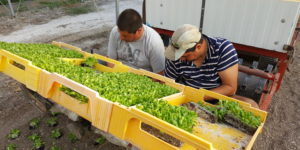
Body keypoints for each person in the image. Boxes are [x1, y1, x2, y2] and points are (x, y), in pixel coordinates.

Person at [164, 24, 259, 108]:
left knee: (252, 105)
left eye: (184, 56)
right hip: (186, 96)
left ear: (198, 47)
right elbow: (169, 83)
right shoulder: (175, 55)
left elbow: (230, 88)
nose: (180, 59)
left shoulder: (222, 49)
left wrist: (197, 97)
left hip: (217, 98)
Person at [107, 9, 165, 74]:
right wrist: (112, 76)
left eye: (125, 35)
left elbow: (159, 75)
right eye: (119, 33)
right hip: (117, 75)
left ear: (139, 31)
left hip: (143, 79)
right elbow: (111, 60)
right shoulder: (115, 32)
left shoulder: (154, 42)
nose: (121, 37)